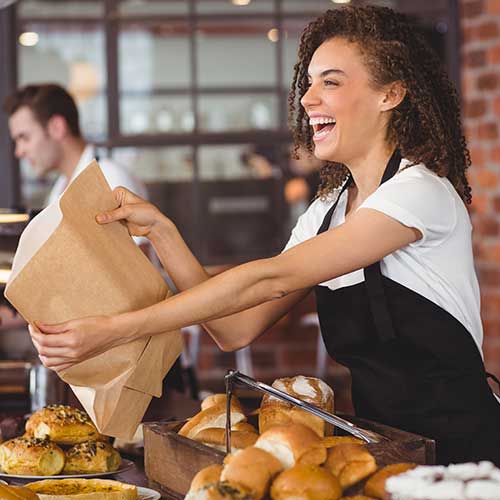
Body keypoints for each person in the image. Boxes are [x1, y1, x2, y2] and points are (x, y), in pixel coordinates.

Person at [28, 5, 500, 465]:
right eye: (309, 83)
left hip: (467, 453)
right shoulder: (325, 214)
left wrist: (112, 331)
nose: (308, 98)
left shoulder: (420, 192)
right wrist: (163, 232)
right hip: (388, 455)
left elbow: (267, 280)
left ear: (390, 94)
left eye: (330, 82)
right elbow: (234, 329)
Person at [3, 83, 147, 206]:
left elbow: (131, 239)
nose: (19, 151)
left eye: (24, 138)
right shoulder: (60, 187)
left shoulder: (109, 179)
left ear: (57, 128)